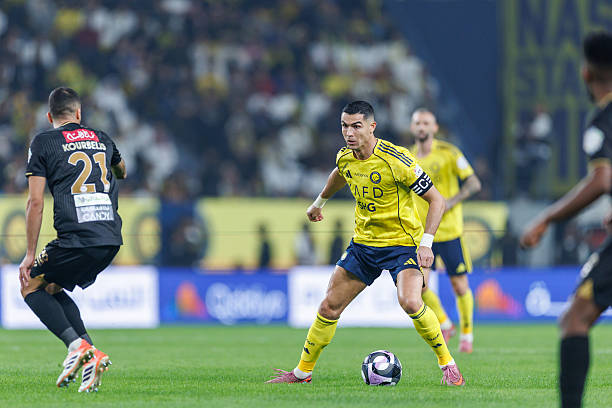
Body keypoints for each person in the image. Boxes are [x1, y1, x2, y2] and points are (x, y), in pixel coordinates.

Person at [267, 100, 465, 386]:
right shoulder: (345, 157)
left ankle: (448, 365)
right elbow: (340, 174)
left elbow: (437, 200)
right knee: (328, 307)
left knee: (411, 301)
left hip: (402, 244)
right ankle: (301, 373)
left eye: (356, 126)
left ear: (372, 127)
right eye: (344, 126)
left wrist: (426, 243)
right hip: (364, 246)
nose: (349, 133)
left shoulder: (397, 160)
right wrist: (319, 203)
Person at [520, 32, 612, 408]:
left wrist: (547, 218)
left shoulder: (603, 119)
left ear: (586, 72)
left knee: (575, 319)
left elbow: (602, 179)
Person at [19, 87, 126, 393]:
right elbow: (121, 170)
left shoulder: (43, 142)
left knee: (30, 284)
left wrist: (29, 254)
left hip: (78, 237)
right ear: (79, 114)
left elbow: (35, 202)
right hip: (111, 239)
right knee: (52, 286)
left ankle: (77, 346)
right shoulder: (102, 138)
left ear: (49, 116)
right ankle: (91, 356)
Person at [408, 108, 481, 353]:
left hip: (449, 231)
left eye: (426, 123)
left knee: (459, 286)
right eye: (418, 123)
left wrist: (452, 201)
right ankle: (445, 323)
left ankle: (467, 335)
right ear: (412, 128)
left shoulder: (450, 153)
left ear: (435, 127)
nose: (421, 127)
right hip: (422, 234)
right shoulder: (407, 157)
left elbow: (474, 183)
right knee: (420, 287)